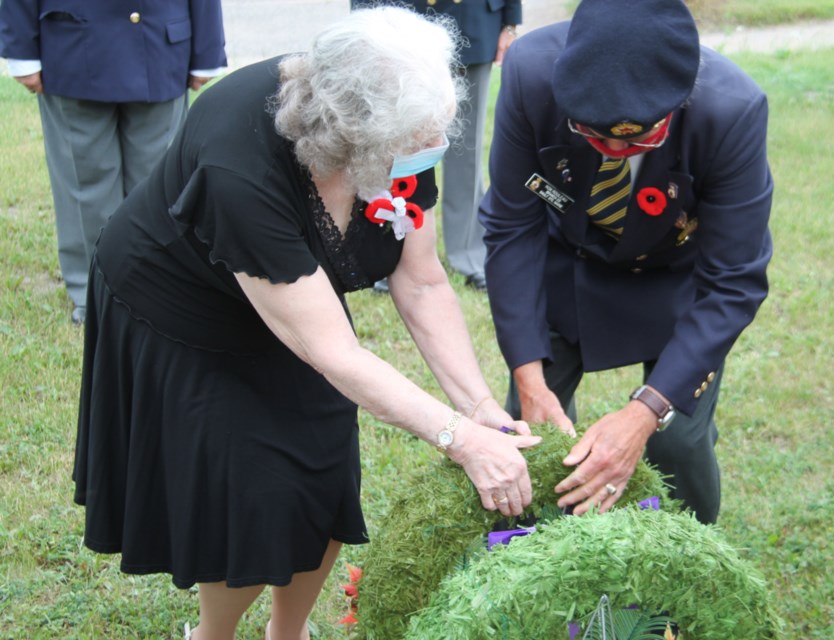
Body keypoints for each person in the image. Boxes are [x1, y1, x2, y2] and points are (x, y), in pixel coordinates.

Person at [72, 7, 539, 639]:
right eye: (420, 139)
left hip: (301, 304)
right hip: (185, 307)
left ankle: (286, 633)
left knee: (321, 475)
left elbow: (423, 280)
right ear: (360, 138)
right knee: (245, 493)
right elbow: (332, 352)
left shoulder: (399, 124)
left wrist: (478, 404)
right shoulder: (241, 162)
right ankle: (214, 635)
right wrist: (460, 439)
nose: (433, 148)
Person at [480, 0, 774, 525]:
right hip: (564, 267)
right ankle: (532, 562)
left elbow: (733, 283)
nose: (615, 148)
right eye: (595, 135)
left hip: (673, 279)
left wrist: (644, 413)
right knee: (529, 433)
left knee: (677, 441)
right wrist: (527, 375)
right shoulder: (528, 73)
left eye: (639, 137)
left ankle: (692, 560)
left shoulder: (732, 111)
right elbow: (512, 226)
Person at [0, 1, 227, 325]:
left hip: (159, 43)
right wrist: (21, 50)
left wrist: (207, 48)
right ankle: (93, 292)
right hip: (72, 45)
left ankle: (156, 285)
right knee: (85, 181)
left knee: (157, 186)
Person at [351, 0, 521, 292]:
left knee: (466, 150)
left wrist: (509, 20)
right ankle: (382, 254)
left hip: (473, 15)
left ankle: (468, 253)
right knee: (390, 140)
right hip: (396, 19)